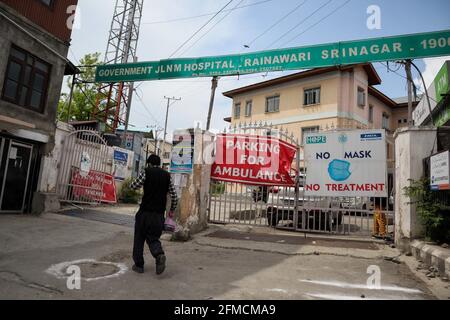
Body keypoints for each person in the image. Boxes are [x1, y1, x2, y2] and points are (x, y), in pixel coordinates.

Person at [130, 154, 178, 275]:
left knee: (139, 238)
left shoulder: (146, 172)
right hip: (159, 215)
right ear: (159, 164)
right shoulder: (167, 176)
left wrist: (135, 184)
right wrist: (171, 210)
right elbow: (174, 196)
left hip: (145, 213)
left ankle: (139, 265)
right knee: (153, 238)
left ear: (149, 163)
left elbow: (134, 186)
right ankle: (159, 255)